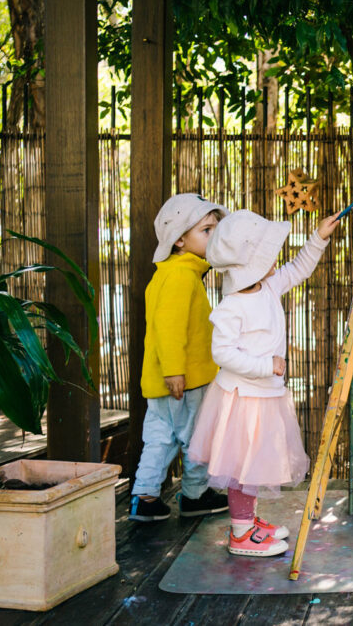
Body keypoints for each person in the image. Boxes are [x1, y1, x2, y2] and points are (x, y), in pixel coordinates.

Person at [189, 209, 340, 557]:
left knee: (252, 466)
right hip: (243, 400)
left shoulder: (268, 286)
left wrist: (318, 238)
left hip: (264, 397)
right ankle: (241, 533)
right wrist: (264, 365)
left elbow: (299, 268)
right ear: (250, 263)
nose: (276, 258)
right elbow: (222, 353)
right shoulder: (231, 307)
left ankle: (248, 520)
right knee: (242, 467)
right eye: (267, 253)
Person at [130, 194, 231, 522]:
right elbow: (169, 328)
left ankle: (145, 497)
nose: (213, 236)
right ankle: (195, 494)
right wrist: (175, 371)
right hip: (184, 379)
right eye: (206, 230)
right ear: (179, 241)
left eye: (216, 228)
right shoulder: (181, 277)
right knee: (195, 436)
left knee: (159, 436)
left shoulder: (169, 273)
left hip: (162, 381)